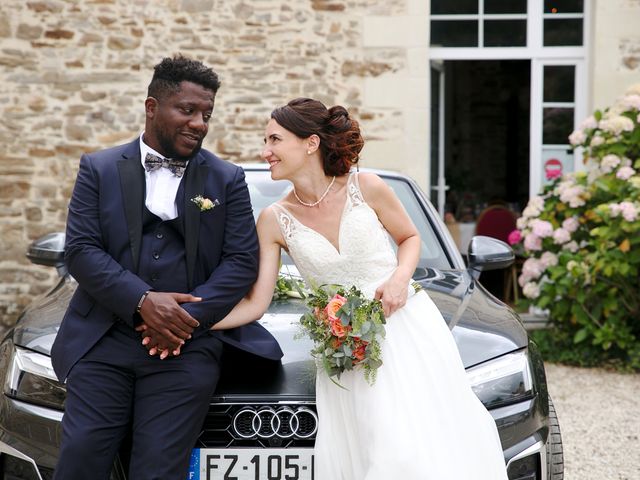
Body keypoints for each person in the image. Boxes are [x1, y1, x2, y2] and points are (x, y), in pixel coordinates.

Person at [198, 97, 509, 479]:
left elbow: (409, 237)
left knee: (419, 449)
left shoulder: (367, 187)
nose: (266, 152)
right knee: (374, 452)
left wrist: (398, 279)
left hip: (405, 329)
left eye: (275, 140)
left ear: (310, 143)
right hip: (348, 351)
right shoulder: (273, 220)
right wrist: (192, 322)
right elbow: (256, 303)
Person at [50, 55, 283, 480]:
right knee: (80, 459)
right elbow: (81, 250)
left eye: (207, 114)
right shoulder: (98, 169)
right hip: (103, 339)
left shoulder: (226, 178)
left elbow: (240, 260)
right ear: (152, 107)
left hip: (185, 348)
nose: (199, 122)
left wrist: (182, 320)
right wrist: (141, 302)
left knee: (158, 470)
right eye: (188, 110)